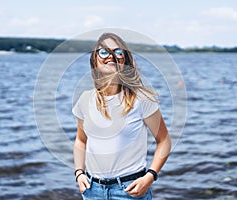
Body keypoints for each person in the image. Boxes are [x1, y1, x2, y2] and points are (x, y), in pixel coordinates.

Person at [72, 32, 171, 200]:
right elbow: (81, 141)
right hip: (92, 190)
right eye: (104, 52)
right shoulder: (85, 99)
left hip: (129, 190)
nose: (111, 56)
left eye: (118, 52)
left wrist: (150, 177)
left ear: (125, 60)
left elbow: (164, 141)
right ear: (94, 60)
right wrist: (79, 173)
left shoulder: (141, 99)